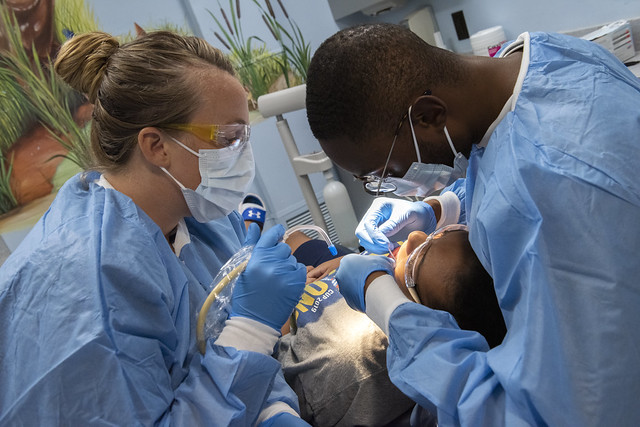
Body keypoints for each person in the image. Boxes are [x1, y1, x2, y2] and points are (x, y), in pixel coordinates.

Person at [305, 23, 640, 425]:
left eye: (382, 172)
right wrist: (442, 206)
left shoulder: (546, 200)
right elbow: (508, 161)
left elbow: (556, 414)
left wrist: (387, 305)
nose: (385, 187)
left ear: (429, 115)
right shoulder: (546, 59)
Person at [0, 31, 309, 426]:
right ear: (155, 145)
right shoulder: (91, 281)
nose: (243, 154)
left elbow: (222, 367)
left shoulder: (193, 214)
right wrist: (251, 329)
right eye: (230, 137)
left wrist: (273, 409)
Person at [277, 226, 506, 426]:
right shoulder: (417, 274)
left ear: (423, 316)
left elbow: (276, 371)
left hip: (284, 316)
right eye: (438, 234)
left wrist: (282, 305)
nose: (416, 235)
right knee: (294, 237)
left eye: (418, 258)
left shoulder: (352, 365)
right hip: (326, 278)